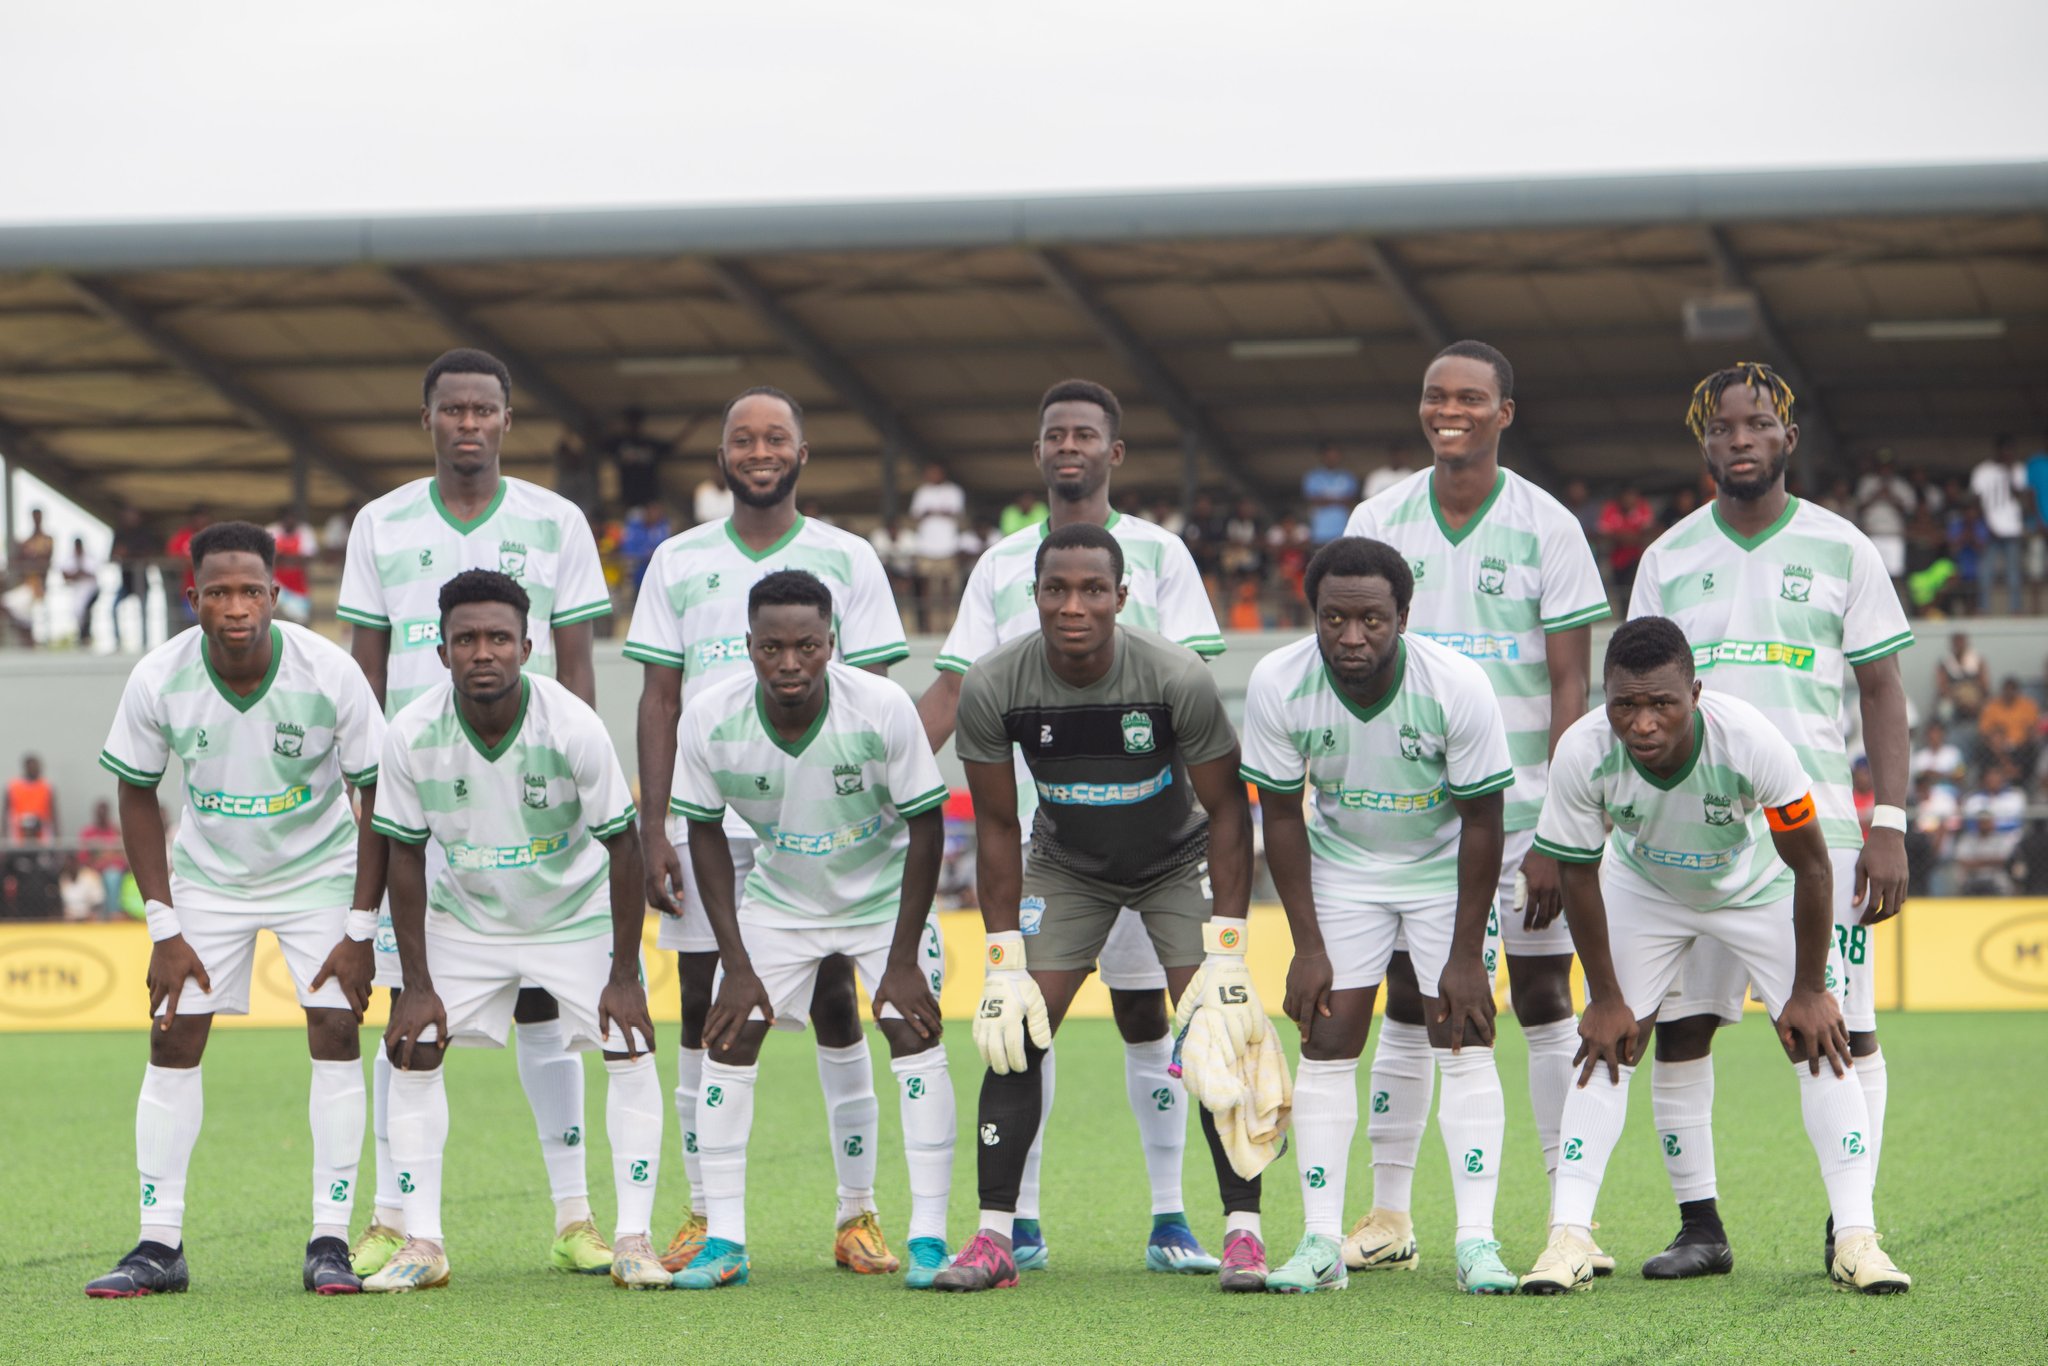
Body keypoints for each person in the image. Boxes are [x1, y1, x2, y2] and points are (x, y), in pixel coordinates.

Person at [917, 380, 1226, 1274]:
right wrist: (890, 775)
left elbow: (1196, 681)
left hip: (1157, 834)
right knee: (1024, 1020)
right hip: (1049, 833)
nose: (1068, 446)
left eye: (1085, 434)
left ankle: (1171, 1218)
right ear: (1038, 451)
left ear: (1113, 453)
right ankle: (1019, 1222)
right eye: (1054, 434)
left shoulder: (1162, 553)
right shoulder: (1000, 564)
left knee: (1147, 1017)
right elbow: (956, 686)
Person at [1517, 617, 1909, 1295]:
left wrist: (1809, 989)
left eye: (1661, 703)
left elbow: (1813, 867)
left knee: (1820, 1035)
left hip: (1756, 886)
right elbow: (1577, 874)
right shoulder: (1581, 750)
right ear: (1605, 699)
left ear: (1694, 694)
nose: (1643, 723)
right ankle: (1568, 1237)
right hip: (1646, 888)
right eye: (1625, 705)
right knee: (1606, 1040)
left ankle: (1856, 1238)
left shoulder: (1750, 738)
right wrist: (1606, 996)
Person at [1628, 361, 1913, 1278]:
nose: (1739, 439)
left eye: (1756, 424)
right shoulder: (1668, 556)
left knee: (1843, 1028)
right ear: (1704, 443)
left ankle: (1851, 1227)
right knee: (1683, 1028)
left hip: (1818, 834)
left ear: (1789, 437)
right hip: (1691, 837)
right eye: (1722, 427)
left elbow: (1882, 687)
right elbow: (1636, 699)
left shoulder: (1843, 546)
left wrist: (1889, 820)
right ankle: (1700, 1229)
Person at [337, 348, 616, 1279]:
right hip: (418, 801)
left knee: (544, 1004)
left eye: (483, 410)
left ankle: (575, 1217)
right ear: (428, 420)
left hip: (531, 799)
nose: (468, 424)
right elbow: (364, 669)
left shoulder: (556, 520)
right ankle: (393, 1218)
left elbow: (577, 661)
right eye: (451, 410)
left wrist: (573, 781)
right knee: (408, 1006)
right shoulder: (379, 524)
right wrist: (367, 788)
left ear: (506, 419)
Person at [625, 385, 909, 1276]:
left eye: (775, 438)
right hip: (710, 814)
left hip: (818, 822)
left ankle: (858, 1213)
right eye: (742, 440)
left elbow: (878, 699)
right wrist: (655, 825)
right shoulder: (677, 559)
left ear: (801, 453)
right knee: (702, 1004)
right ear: (721, 458)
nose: (759, 451)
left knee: (834, 1000)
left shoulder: (848, 557)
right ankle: (704, 1214)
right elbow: (659, 699)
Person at [1340, 339, 1610, 1276]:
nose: (1448, 411)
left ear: (1504, 413)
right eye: (1434, 396)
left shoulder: (1549, 526)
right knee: (1409, 1001)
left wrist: (1562, 828)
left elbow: (1571, 684)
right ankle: (1388, 1215)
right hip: (1414, 819)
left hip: (1526, 813)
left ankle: (1568, 1220)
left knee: (1542, 997)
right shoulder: (1379, 518)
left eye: (1468, 398)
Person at [84, 521, 386, 1298]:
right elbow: (136, 790)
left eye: (251, 590)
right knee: (172, 1036)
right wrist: (164, 927)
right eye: (219, 592)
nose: (237, 606)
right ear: (193, 599)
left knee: (336, 1028)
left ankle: (329, 1240)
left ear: (276, 594)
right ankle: (159, 1244)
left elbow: (376, 794)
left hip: (319, 872)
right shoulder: (159, 677)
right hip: (210, 879)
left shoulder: (329, 671)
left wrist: (361, 928)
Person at [369, 570, 665, 1292]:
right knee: (413, 1049)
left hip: (571, 914)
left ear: (527, 647)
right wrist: (416, 984)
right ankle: (424, 1242)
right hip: (468, 917)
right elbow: (402, 856)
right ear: (441, 651)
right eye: (466, 639)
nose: (483, 652)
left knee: (628, 1043)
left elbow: (624, 847)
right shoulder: (410, 733)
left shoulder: (572, 725)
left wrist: (624, 975)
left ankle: (632, 1238)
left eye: (499, 638)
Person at [1244, 537, 1517, 1295]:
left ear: (1404, 615)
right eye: (1334, 618)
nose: (1352, 637)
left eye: (1372, 619)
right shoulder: (1278, 682)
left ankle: (1477, 1242)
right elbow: (1282, 816)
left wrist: (1465, 954)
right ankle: (1320, 1243)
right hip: (1343, 871)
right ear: (1313, 614)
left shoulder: (1456, 685)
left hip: (1443, 871)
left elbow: (1485, 823)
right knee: (1327, 1039)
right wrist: (1306, 946)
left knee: (1462, 1037)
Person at [669, 570, 954, 1291]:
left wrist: (902, 961)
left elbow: (926, 827)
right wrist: (736, 964)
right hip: (782, 899)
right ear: (749, 646)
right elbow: (703, 833)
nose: (790, 663)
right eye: (772, 648)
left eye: (807, 646)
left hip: (883, 897)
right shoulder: (709, 716)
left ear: (832, 643)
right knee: (727, 1036)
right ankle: (725, 1240)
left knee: (913, 1030)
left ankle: (925, 1238)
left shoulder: (881, 707)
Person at [1972, 435, 2028, 615]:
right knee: (1985, 571)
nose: (2008, 454)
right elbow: (1976, 501)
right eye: (2005, 450)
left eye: (2011, 450)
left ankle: (2016, 608)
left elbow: (2020, 496)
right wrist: (1985, 525)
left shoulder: (2018, 469)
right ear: (1998, 450)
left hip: (2012, 530)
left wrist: (2010, 473)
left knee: (2013, 572)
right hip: (1990, 529)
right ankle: (1983, 608)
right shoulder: (1983, 470)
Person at [909, 463, 967, 634]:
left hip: (948, 546)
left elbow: (957, 512)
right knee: (926, 588)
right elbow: (915, 515)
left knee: (947, 588)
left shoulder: (953, 491)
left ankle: (948, 624)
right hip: (926, 547)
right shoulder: (922, 492)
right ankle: (929, 625)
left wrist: (932, 512)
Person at [1854, 450, 1916, 585]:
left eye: (1888, 466)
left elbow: (1909, 512)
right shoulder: (1867, 482)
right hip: (1872, 534)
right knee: (1871, 574)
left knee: (1894, 576)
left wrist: (1891, 496)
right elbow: (1859, 508)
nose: (1885, 469)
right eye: (1882, 466)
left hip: (1894, 535)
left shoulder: (1901, 485)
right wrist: (1876, 494)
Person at [109, 508, 159, 652]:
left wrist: (129, 553)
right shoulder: (120, 533)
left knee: (144, 612)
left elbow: (149, 555)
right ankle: (117, 642)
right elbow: (112, 555)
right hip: (125, 582)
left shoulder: (144, 534)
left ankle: (145, 643)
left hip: (141, 582)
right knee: (113, 608)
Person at [608, 407, 673, 512]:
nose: (634, 426)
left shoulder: (649, 444)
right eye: (631, 423)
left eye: (636, 423)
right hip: (629, 495)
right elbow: (599, 445)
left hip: (649, 495)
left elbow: (670, 447)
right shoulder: (620, 443)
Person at [1975, 676, 2040, 775]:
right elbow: (1985, 732)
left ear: (2017, 691)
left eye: (2012, 690)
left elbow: (2032, 729)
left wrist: (2027, 740)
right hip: (1998, 747)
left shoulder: (2028, 706)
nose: (2009, 693)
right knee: (1982, 749)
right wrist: (1998, 745)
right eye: (2007, 690)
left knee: (2033, 749)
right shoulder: (1992, 707)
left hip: (2021, 746)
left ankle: (2023, 777)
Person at [1597, 488, 1655, 595]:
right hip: (1615, 556)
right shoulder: (1611, 508)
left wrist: (1627, 537)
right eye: (1626, 497)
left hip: (1638, 557)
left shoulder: (1642, 507)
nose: (1628, 500)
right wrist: (1624, 537)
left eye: (1631, 496)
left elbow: (1649, 532)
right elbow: (1603, 534)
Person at [1301, 442, 1359, 546]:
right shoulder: (1313, 477)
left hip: (1342, 531)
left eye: (1335, 456)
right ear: (1322, 457)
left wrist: (1325, 498)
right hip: (1320, 532)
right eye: (1329, 456)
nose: (1332, 459)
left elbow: (1350, 500)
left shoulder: (1347, 476)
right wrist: (1338, 499)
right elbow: (1313, 499)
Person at [265, 513, 318, 625]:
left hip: (298, 583)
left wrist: (283, 557)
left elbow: (307, 558)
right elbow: (270, 558)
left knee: (300, 619)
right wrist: (293, 557)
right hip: (278, 580)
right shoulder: (272, 530)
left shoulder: (305, 532)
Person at [163, 506, 209, 631]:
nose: (200, 520)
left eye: (203, 517)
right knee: (192, 626)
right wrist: (188, 562)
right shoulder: (182, 537)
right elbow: (172, 558)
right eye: (198, 517)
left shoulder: (212, 536)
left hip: (211, 589)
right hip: (189, 589)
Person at [1934, 632, 1988, 727]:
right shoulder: (1945, 662)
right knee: (1945, 709)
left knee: (1987, 707)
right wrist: (1959, 700)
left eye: (1961, 643)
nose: (1959, 646)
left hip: (1974, 698)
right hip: (1954, 698)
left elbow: (1984, 684)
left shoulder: (1977, 660)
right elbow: (1942, 688)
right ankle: (1947, 731)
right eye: (1956, 643)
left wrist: (1972, 699)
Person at [6, 753, 57, 843]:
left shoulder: (47, 786)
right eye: (32, 767)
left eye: (37, 767)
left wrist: (57, 838)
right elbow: (6, 812)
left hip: (42, 833)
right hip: (18, 834)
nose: (35, 769)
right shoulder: (13, 786)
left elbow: (54, 813)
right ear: (26, 767)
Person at [59, 535, 102, 644]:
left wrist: (78, 574)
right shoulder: (70, 558)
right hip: (77, 591)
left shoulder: (89, 557)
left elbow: (92, 572)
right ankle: (82, 635)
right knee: (77, 612)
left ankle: (85, 635)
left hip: (91, 590)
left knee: (86, 611)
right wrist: (77, 574)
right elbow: (65, 573)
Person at [1911, 720, 1966, 786]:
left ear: (1943, 734)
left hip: (1948, 790)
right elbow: (1915, 779)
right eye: (1931, 733)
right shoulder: (1920, 756)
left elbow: (1961, 777)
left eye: (1937, 732)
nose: (1934, 736)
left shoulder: (1954, 753)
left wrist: (1940, 775)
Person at [59, 852, 105, 922]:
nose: (70, 865)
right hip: (71, 917)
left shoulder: (90, 876)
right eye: (67, 863)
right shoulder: (64, 879)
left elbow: (98, 901)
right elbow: (65, 903)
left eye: (72, 862)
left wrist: (90, 914)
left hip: (90, 916)